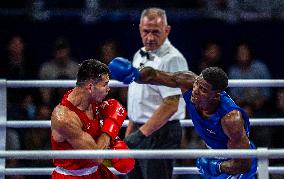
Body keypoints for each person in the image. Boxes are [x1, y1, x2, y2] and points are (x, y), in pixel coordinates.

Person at [108, 58, 257, 178]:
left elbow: (244, 164)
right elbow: (155, 75)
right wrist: (136, 74)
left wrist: (216, 166)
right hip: (216, 155)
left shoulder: (231, 119)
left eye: (203, 90)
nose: (196, 91)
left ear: (216, 96)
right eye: (197, 84)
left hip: (238, 162)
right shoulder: (189, 83)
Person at [121, 7, 189, 179]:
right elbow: (137, 98)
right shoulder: (139, 54)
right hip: (139, 128)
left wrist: (141, 134)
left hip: (160, 131)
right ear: (139, 29)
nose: (150, 37)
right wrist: (130, 132)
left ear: (167, 30)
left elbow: (171, 104)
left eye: (156, 32)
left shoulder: (173, 59)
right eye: (146, 31)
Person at [50, 59, 135, 178]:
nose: (108, 89)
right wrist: (112, 124)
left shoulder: (89, 100)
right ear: (90, 87)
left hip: (96, 171)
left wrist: (115, 141)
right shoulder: (65, 118)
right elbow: (96, 157)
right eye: (105, 84)